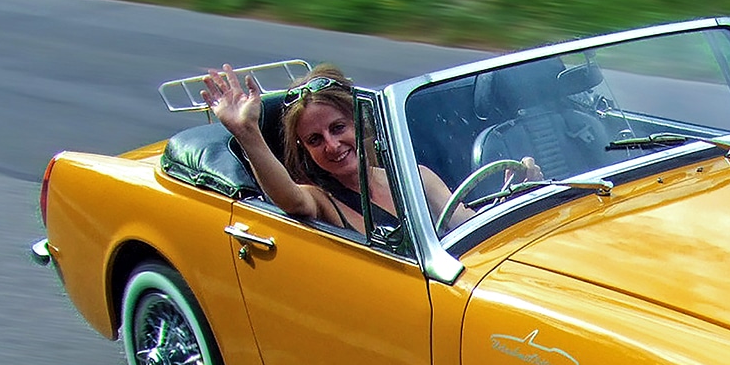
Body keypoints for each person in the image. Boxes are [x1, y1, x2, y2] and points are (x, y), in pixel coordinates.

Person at [201, 64, 538, 236]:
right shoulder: (319, 199)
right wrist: (247, 132)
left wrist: (519, 194)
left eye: (338, 128)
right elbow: (289, 199)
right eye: (315, 140)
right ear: (304, 150)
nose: (332, 145)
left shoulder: (415, 177)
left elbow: (467, 226)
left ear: (361, 125)